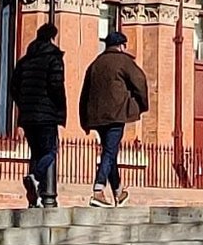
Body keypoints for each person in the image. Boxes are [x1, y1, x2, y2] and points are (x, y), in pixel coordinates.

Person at [79, 24, 151, 203]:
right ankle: (98, 189)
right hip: (116, 114)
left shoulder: (95, 64)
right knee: (110, 151)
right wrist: (142, 105)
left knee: (109, 152)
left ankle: (118, 191)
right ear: (121, 46)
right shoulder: (124, 61)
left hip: (96, 116)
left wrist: (84, 120)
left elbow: (84, 92)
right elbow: (140, 82)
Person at [9, 17, 66, 206]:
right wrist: (58, 108)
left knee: (35, 153)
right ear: (51, 39)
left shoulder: (24, 61)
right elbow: (56, 85)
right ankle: (36, 177)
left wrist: (24, 104)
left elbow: (13, 87)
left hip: (28, 115)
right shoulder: (53, 59)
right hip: (46, 115)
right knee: (50, 151)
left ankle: (37, 197)